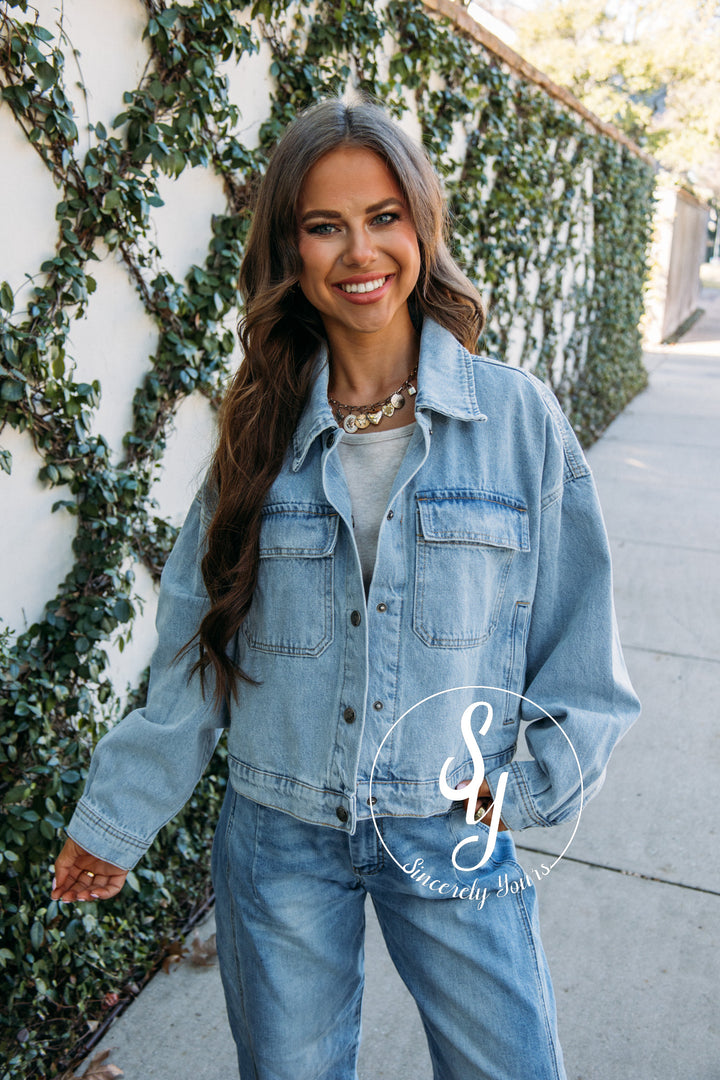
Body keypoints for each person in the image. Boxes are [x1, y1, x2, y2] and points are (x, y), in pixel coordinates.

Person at [52, 96, 640, 1079]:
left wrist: (526, 784)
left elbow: (583, 640)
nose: (358, 250)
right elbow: (198, 646)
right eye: (324, 226)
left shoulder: (515, 419)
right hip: (279, 830)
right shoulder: (259, 433)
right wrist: (118, 813)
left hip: (449, 823)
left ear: (421, 226)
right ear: (291, 250)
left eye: (383, 217)